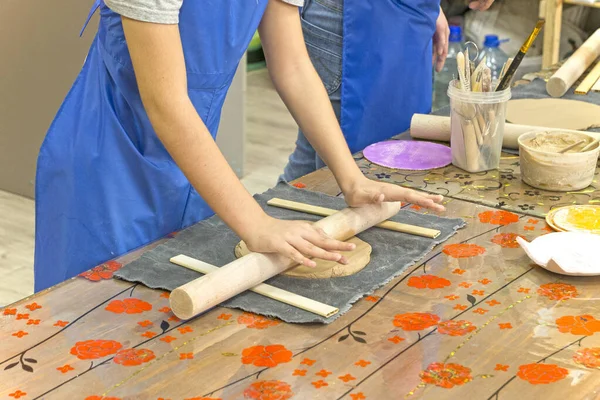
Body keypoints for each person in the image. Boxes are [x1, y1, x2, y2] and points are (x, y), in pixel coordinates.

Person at [34, 0, 445, 291]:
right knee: (98, 328)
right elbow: (166, 104)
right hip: (106, 169)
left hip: (192, 166)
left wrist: (351, 180)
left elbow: (295, 68)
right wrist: (256, 223)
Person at [281, 0, 495, 182]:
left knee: (314, 163)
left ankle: (264, 226)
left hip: (402, 15)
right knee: (354, 173)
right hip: (361, 19)